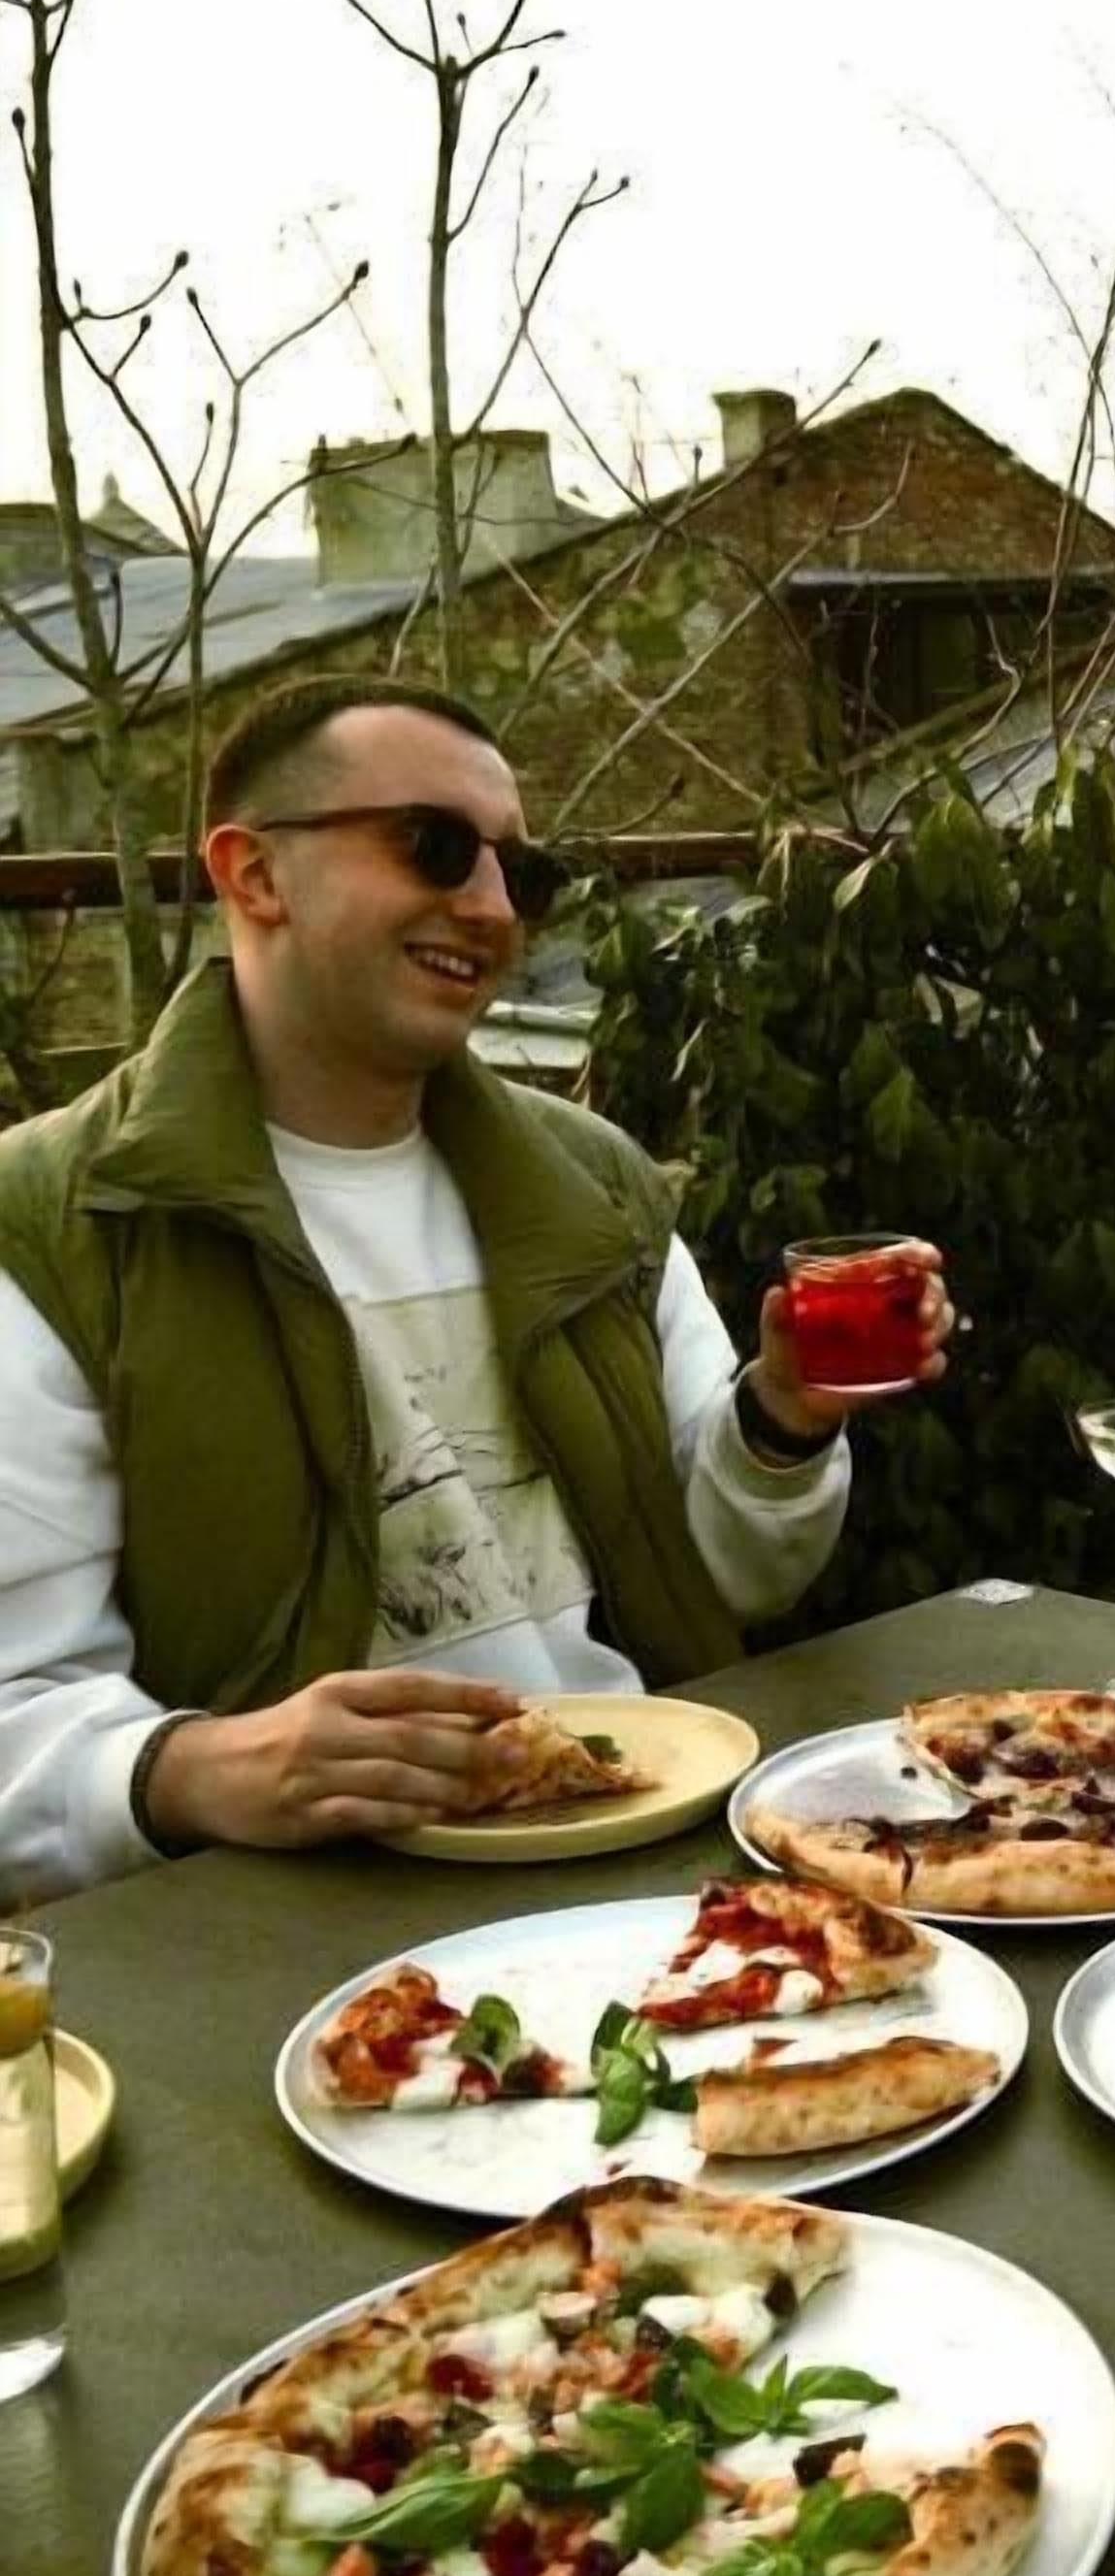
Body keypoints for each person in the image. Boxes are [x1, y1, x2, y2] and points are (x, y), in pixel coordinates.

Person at [0, 674, 951, 1908]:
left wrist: (781, 1417)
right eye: (434, 847)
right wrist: (197, 1768)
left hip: (651, 1859)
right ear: (252, 875)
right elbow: (18, 1718)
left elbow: (723, 1578)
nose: (492, 906)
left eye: (522, 870)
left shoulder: (592, 1185)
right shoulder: (52, 1229)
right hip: (294, 1924)